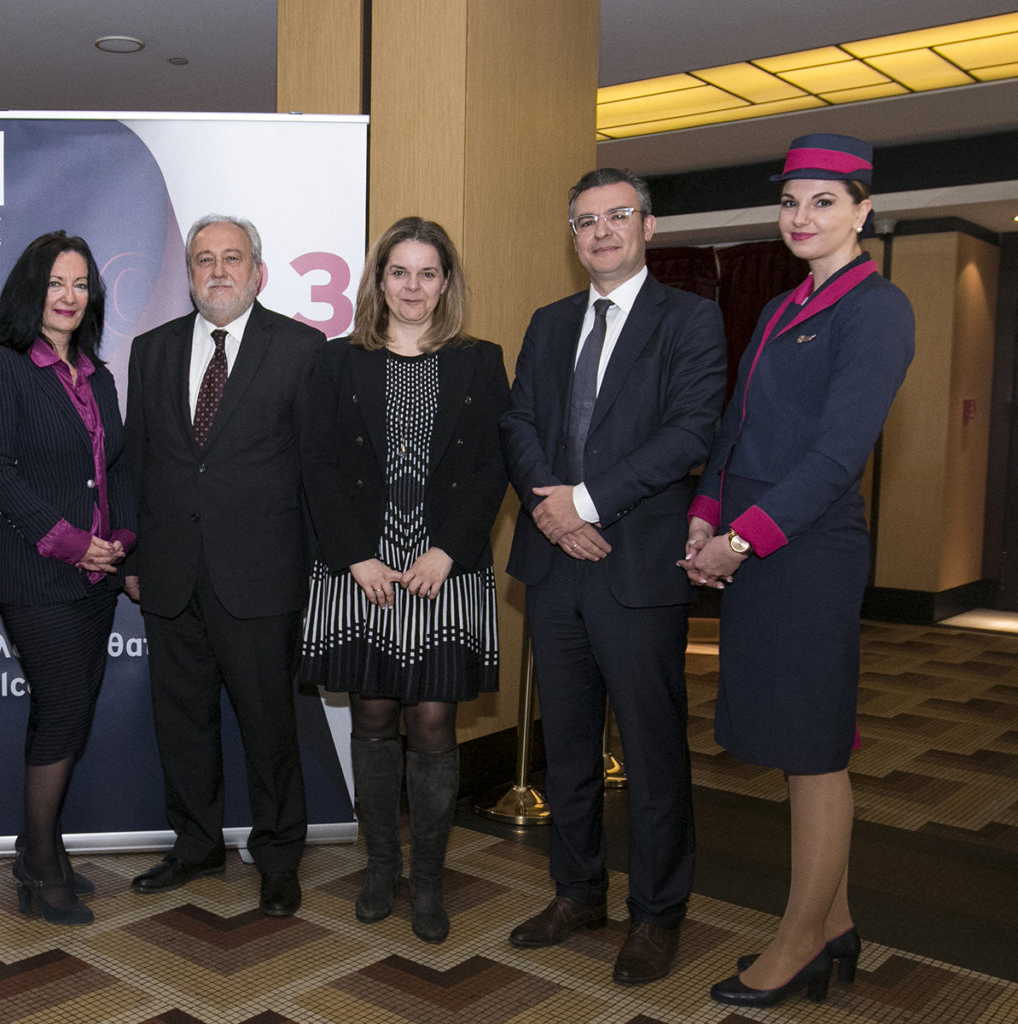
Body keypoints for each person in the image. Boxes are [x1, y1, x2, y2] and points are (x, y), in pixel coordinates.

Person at [680, 134, 914, 1009]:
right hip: (756, 545)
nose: (802, 217)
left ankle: (800, 941)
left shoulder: (877, 309)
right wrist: (706, 511)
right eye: (790, 202)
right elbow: (736, 427)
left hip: (808, 552)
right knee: (790, 744)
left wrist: (739, 540)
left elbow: (836, 456)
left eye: (823, 201)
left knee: (814, 751)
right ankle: (837, 920)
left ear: (862, 211)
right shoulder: (784, 306)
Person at [501, 168, 726, 983]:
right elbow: (519, 423)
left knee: (653, 751)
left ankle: (657, 914)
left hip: (636, 566)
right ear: (574, 236)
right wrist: (553, 512)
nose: (600, 231)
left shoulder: (690, 320)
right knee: (566, 748)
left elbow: (690, 431)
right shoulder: (549, 320)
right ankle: (577, 893)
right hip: (554, 565)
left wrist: (586, 503)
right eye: (585, 220)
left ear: (648, 227)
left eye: (617, 215)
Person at [300, 217, 507, 943]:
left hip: (442, 568)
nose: (412, 287)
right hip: (364, 568)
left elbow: (494, 465)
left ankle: (428, 880)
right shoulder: (337, 360)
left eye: (427, 273)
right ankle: (380, 867)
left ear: (445, 282)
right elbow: (317, 462)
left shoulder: (481, 361)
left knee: (432, 721)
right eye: (399, 272)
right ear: (378, 281)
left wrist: (449, 549)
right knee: (373, 716)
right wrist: (354, 555)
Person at [124, 214, 323, 917]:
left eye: (231, 258)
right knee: (182, 722)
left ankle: (279, 856)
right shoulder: (151, 350)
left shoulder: (300, 349)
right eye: (203, 259)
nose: (217, 271)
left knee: (270, 728)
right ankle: (196, 844)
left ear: (257, 272)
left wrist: (317, 570)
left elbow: (316, 471)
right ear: (188, 273)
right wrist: (133, 555)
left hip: (262, 578)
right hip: (170, 572)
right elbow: (138, 461)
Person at [0, 231, 134, 925]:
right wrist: (72, 543)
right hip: (37, 574)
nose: (68, 297)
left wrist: (121, 540)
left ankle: (43, 845)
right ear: (29, 291)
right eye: (55, 283)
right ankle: (38, 861)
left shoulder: (99, 375)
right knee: (64, 709)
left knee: (66, 712)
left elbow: (117, 467)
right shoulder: (0, 368)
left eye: (80, 284)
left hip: (97, 580)